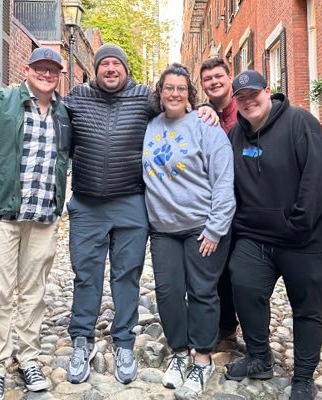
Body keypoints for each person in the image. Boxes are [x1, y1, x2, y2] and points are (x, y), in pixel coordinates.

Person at [63, 44, 218, 385]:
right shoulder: (75, 97)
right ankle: (82, 339)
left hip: (132, 203)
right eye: (104, 64)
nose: (110, 69)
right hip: (88, 204)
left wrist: (207, 109)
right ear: (96, 68)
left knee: (127, 274)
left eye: (117, 63)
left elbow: (175, 106)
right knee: (86, 274)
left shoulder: (144, 98)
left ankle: (124, 342)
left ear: (126, 69)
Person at [224, 70, 322, 400]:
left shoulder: (300, 123)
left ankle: (303, 376)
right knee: (243, 284)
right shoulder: (236, 135)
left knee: (306, 306)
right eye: (241, 98)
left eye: (253, 94)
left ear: (268, 91)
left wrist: (297, 226)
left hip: (306, 238)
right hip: (256, 236)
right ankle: (260, 358)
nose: (248, 102)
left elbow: (318, 178)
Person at [0, 47, 71, 400]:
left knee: (34, 295)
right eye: (39, 68)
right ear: (26, 69)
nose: (46, 74)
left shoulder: (63, 113)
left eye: (52, 70)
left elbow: (63, 159)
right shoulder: (0, 101)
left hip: (42, 218)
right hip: (1, 217)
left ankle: (27, 359)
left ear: (60, 75)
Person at [142, 63, 236, 399]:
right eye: (169, 87)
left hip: (201, 227)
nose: (175, 93)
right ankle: (179, 353)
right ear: (160, 92)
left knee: (201, 292)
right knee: (167, 293)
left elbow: (224, 180)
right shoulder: (151, 126)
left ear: (189, 94)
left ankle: (202, 357)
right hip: (164, 230)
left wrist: (215, 228)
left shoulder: (206, 126)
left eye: (181, 88)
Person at [200, 58, 239, 343]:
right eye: (208, 79)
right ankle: (225, 325)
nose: (214, 82)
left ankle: (249, 332)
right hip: (217, 204)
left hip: (249, 203)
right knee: (220, 270)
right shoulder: (205, 114)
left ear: (230, 77)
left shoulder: (246, 109)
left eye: (218, 76)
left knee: (243, 273)